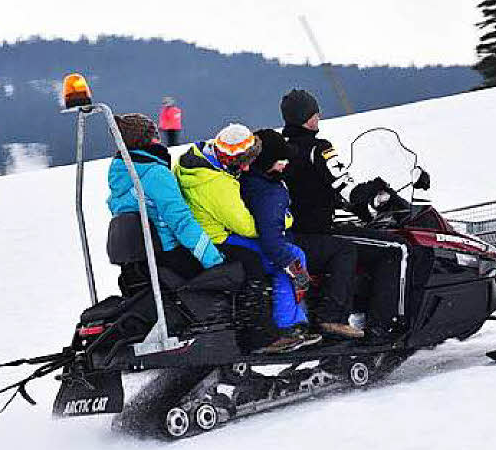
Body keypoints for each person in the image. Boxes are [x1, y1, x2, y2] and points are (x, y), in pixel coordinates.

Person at [281, 89, 414, 342]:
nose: (318, 117)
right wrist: (376, 193)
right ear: (308, 117)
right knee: (398, 249)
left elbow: (310, 191)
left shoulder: (283, 150)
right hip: (320, 231)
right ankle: (384, 327)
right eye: (314, 112)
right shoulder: (319, 150)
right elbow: (345, 186)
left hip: (294, 232)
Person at [175, 123, 321, 353]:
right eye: (241, 163)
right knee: (288, 258)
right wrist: (285, 219)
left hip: (209, 231)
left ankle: (291, 320)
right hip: (220, 238)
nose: (245, 168)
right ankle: (285, 328)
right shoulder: (216, 184)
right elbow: (246, 226)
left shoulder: (196, 162)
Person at [239, 130, 362, 340]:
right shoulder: (269, 194)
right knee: (344, 250)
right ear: (267, 162)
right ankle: (330, 318)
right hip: (283, 247)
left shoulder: (256, 180)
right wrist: (298, 271)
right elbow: (272, 240)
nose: (285, 164)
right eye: (281, 161)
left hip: (282, 240)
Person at [107, 113, 223, 280]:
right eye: (155, 135)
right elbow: (181, 221)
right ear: (149, 140)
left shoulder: (121, 174)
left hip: (141, 261)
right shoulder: (155, 174)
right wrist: (214, 261)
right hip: (168, 254)